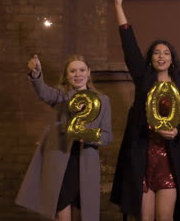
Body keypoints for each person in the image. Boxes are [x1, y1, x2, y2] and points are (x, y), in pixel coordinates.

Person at [109, 0, 180, 221]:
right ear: (151, 58)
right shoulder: (144, 79)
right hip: (142, 158)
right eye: (157, 52)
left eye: (166, 52)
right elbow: (129, 45)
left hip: (168, 160)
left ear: (172, 58)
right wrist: (118, 5)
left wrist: (178, 131)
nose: (161, 56)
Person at [15, 54, 113, 221]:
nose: (78, 74)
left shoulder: (102, 100)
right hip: (60, 160)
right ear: (67, 75)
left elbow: (107, 136)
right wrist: (36, 74)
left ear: (89, 72)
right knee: (62, 207)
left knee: (83, 210)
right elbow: (44, 93)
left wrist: (88, 136)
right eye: (73, 71)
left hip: (86, 161)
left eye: (82, 70)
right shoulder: (61, 95)